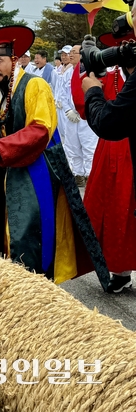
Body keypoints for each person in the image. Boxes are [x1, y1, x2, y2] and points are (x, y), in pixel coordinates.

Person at [0, 25, 108, 286]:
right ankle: (12, 285)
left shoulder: (35, 84)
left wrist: (2, 145)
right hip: (8, 165)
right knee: (3, 226)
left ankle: (37, 288)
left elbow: (40, 129)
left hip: (37, 166)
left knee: (30, 228)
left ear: (13, 61)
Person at [72, 46, 136, 293]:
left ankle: (123, 268)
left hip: (125, 146)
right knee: (110, 208)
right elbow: (82, 104)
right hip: (110, 147)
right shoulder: (107, 76)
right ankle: (119, 269)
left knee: (126, 209)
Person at [55, 44, 98, 186]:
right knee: (73, 147)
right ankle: (78, 174)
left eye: (74, 52)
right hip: (71, 117)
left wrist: (83, 109)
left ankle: (90, 176)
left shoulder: (92, 71)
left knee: (89, 147)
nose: (71, 55)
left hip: (86, 117)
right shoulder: (68, 72)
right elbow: (62, 93)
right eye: (70, 52)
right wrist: (68, 110)